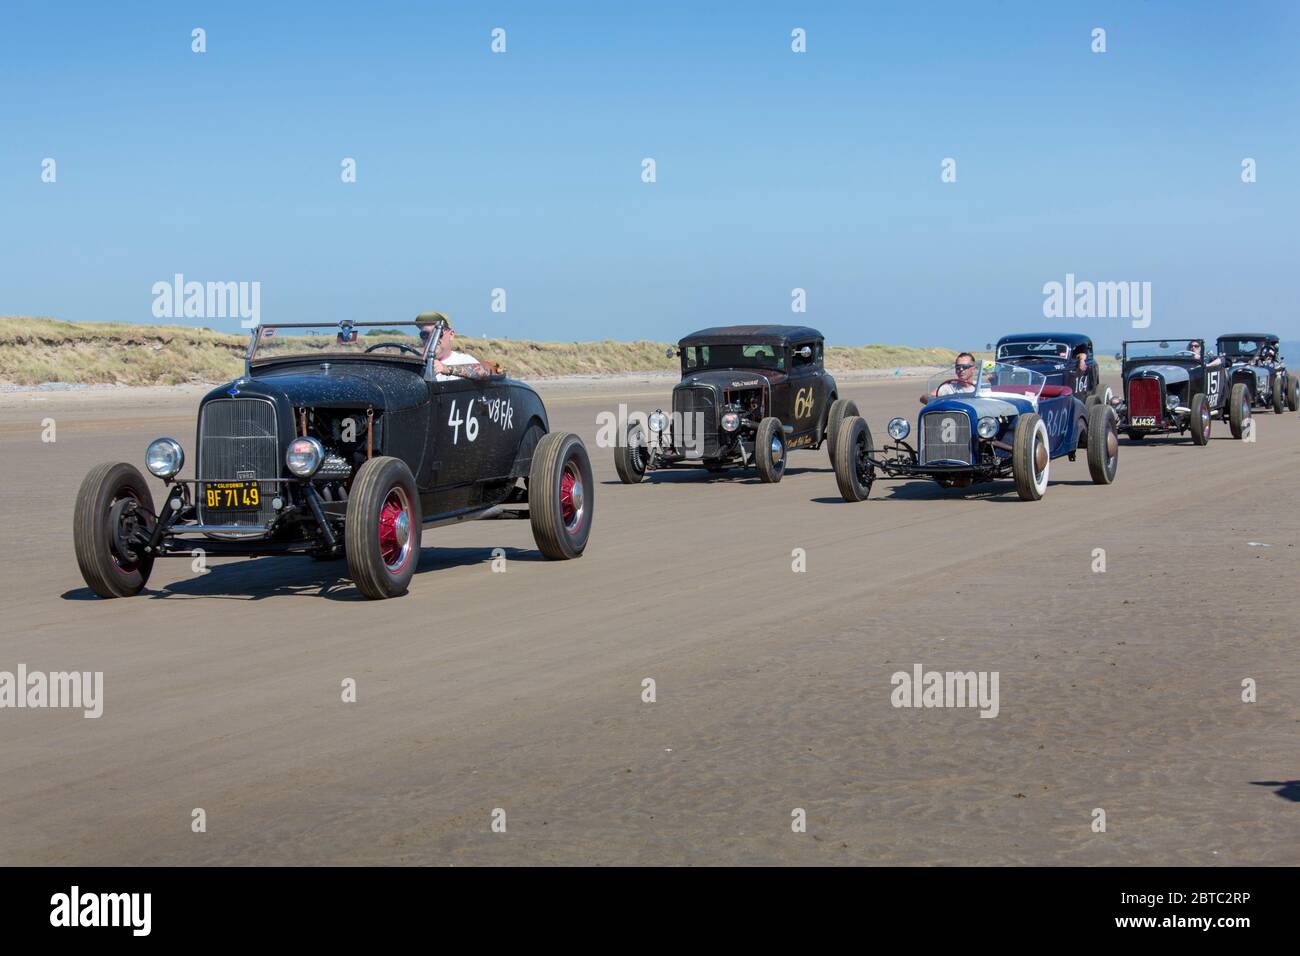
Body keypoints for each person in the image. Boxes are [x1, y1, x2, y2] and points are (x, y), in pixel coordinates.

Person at [418, 318, 497, 381]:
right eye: (425, 334)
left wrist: (445, 368)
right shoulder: (418, 363)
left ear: (451, 334)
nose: (431, 339)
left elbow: (483, 372)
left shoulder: (463, 360)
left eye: (438, 334)